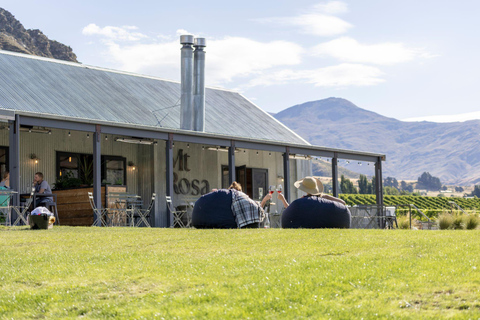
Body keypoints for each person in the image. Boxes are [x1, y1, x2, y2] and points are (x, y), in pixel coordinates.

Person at [277, 176, 345, 208]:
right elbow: (342, 202)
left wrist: (283, 199)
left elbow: (290, 209)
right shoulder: (324, 198)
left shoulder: (303, 200)